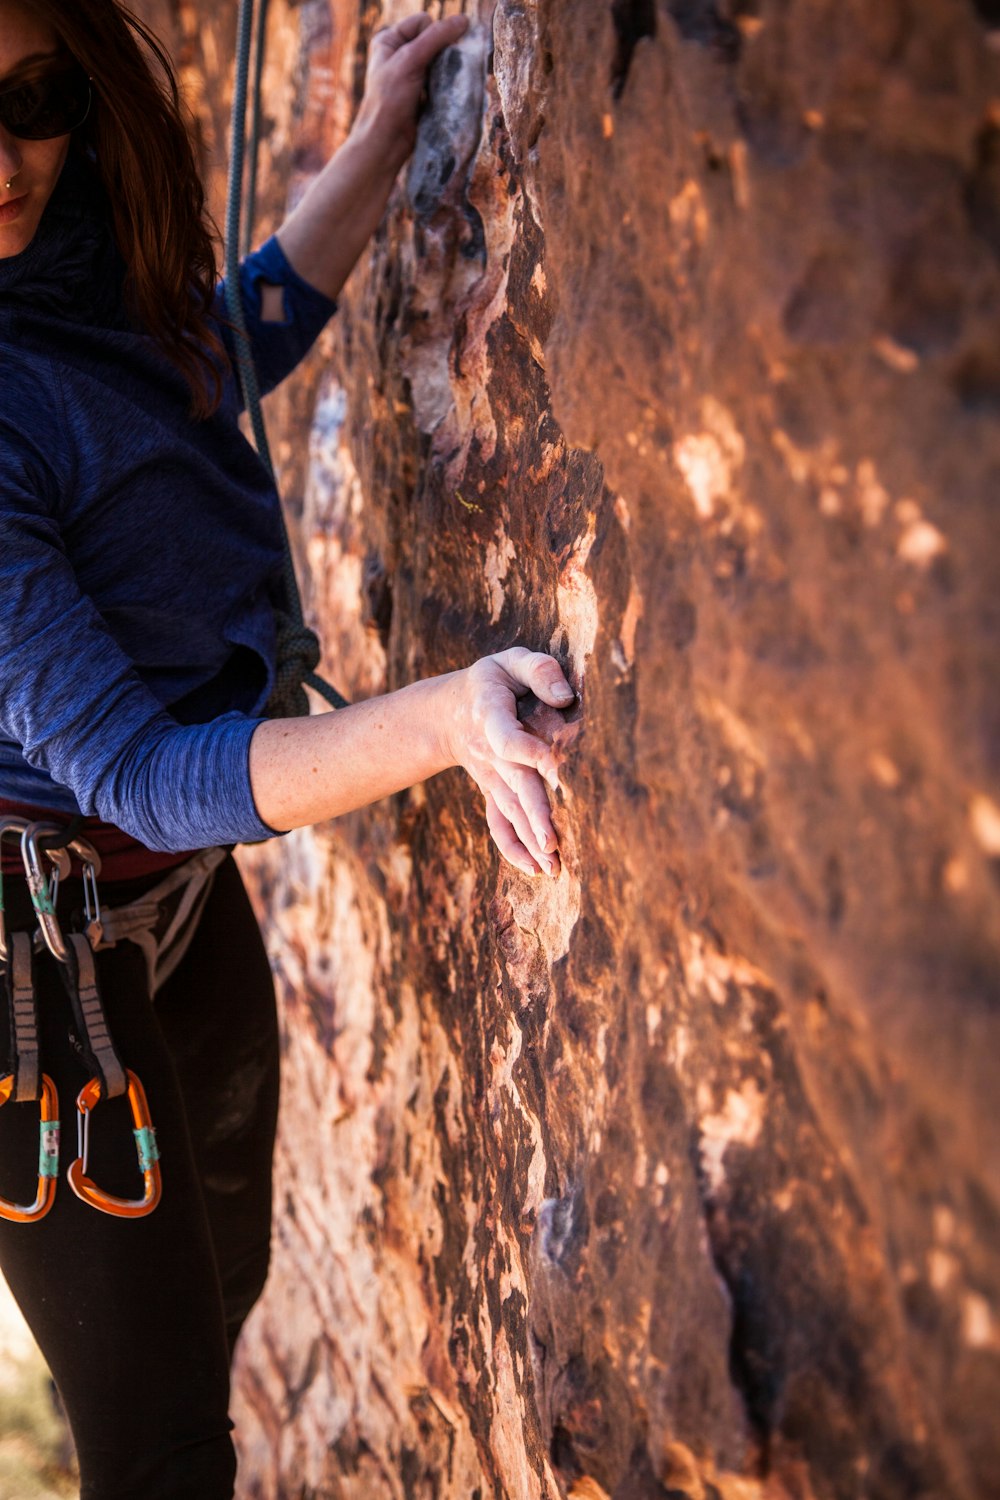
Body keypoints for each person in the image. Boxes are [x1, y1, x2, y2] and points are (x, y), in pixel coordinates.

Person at [0, 2, 574, 1495]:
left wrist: (382, 137)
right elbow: (141, 773)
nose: (1, 160)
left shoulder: (71, 281)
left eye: (32, 96)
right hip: (33, 995)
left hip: (170, 918)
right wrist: (450, 717)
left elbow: (214, 353)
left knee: (222, 1295)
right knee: (164, 1446)